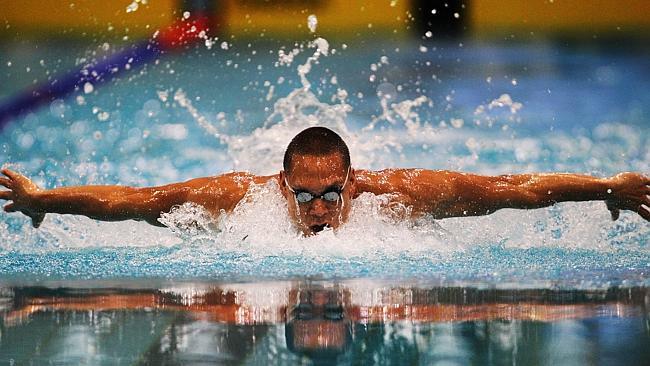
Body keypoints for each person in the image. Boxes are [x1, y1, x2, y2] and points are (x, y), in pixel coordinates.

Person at [1, 126, 648, 235]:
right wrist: (40, 201)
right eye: (305, 195)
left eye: (331, 194)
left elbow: (516, 188)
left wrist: (606, 187)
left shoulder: (399, 194)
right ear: (282, 185)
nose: (318, 210)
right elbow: (134, 202)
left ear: (351, 182)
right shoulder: (238, 198)